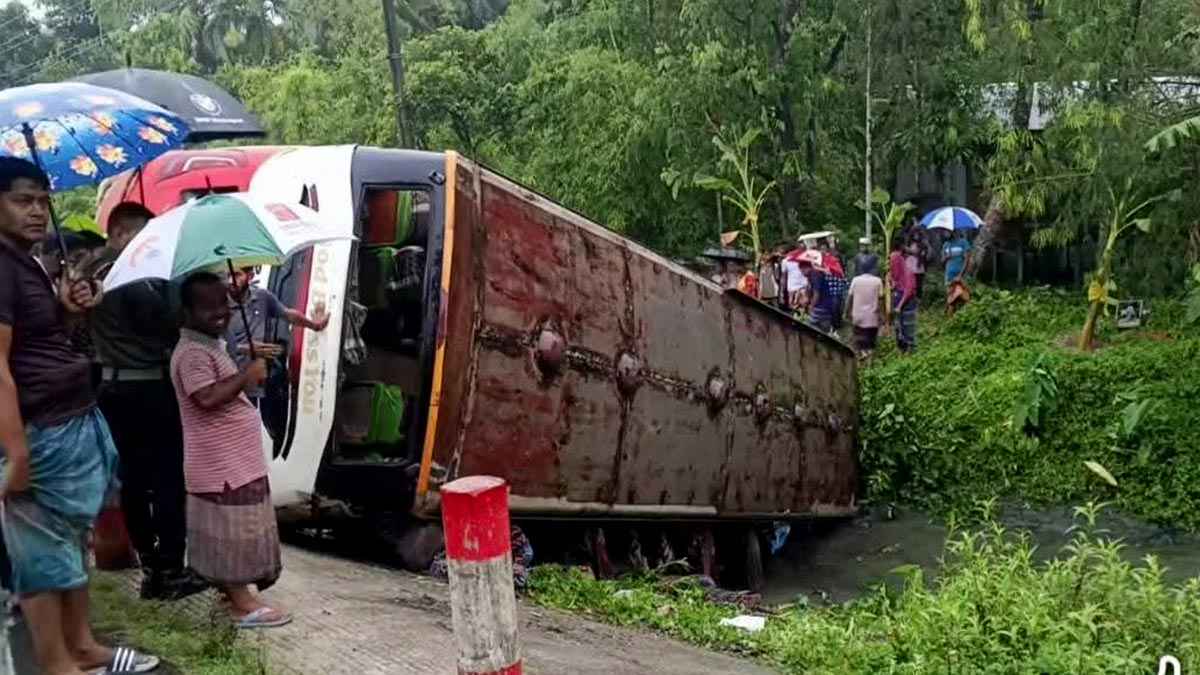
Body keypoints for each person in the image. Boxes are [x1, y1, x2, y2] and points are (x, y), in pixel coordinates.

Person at [0, 158, 160, 674]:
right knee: (41, 551)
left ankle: (82, 646)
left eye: (43, 200)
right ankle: (55, 662)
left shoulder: (21, 262)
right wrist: (16, 449)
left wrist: (67, 310)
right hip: (39, 428)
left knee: (70, 540)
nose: (38, 211)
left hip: (68, 420)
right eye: (23, 200)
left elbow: (37, 345)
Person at [88, 203, 208, 601]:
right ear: (119, 232)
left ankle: (150, 564)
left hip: (111, 388)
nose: (147, 246)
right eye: (140, 235)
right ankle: (169, 567)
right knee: (167, 478)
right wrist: (178, 289)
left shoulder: (88, 270)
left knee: (134, 482)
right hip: (148, 389)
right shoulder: (126, 277)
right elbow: (165, 322)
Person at [171, 272, 291, 629]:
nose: (221, 313)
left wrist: (248, 370)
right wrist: (245, 376)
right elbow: (205, 397)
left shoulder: (210, 344)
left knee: (235, 527)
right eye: (209, 308)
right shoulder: (191, 352)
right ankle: (241, 603)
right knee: (230, 531)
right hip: (220, 464)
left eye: (223, 303)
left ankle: (233, 595)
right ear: (188, 312)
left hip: (233, 460)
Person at [225, 266, 329, 407]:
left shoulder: (262, 297)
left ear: (250, 276)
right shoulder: (219, 306)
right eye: (228, 276)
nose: (231, 281)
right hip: (229, 384)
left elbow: (288, 314)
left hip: (254, 384)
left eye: (237, 275)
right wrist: (244, 348)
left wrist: (314, 325)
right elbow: (213, 345)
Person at [845, 254, 883, 358]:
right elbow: (880, 301)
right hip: (872, 318)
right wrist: (882, 317)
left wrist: (846, 312)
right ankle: (869, 363)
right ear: (873, 268)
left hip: (858, 317)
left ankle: (860, 360)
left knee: (859, 343)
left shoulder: (855, 280)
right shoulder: (878, 281)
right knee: (870, 344)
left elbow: (849, 299)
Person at [890, 238, 918, 353]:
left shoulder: (908, 267)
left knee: (908, 325)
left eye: (893, 263)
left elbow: (909, 289)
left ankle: (910, 349)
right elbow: (894, 277)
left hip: (907, 299)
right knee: (898, 325)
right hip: (899, 295)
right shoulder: (895, 259)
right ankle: (902, 348)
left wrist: (900, 305)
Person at [943, 229, 973, 316]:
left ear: (953, 232)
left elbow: (967, 259)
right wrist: (946, 257)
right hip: (949, 276)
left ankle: (967, 317)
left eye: (947, 231)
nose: (945, 233)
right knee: (951, 300)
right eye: (944, 232)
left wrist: (960, 275)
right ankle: (950, 321)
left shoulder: (963, 242)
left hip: (961, 275)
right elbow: (942, 261)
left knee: (965, 298)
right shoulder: (946, 245)